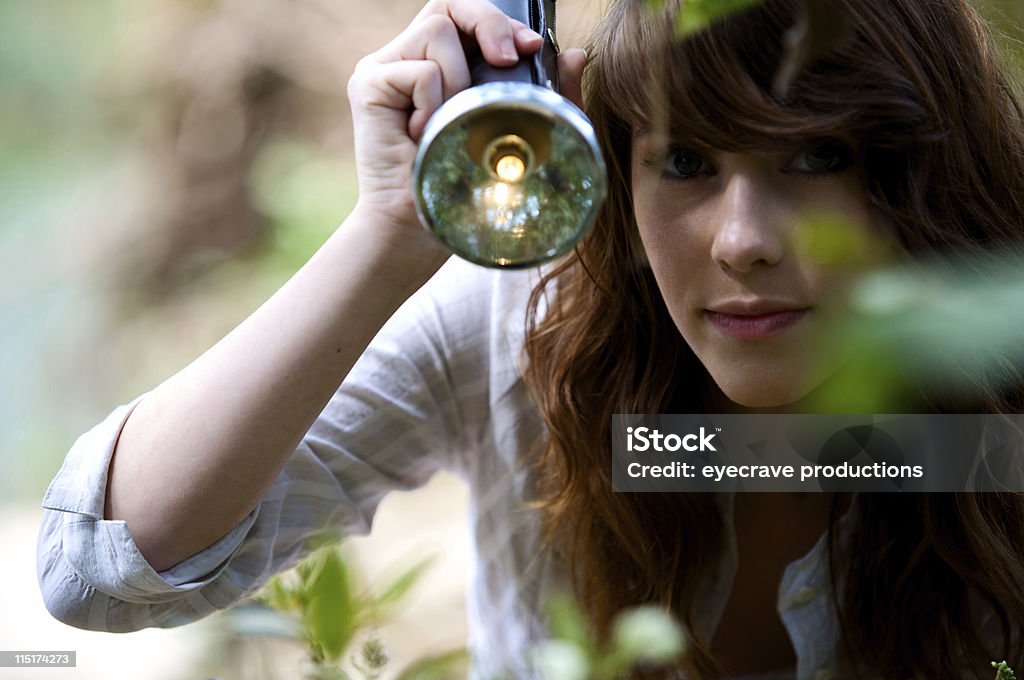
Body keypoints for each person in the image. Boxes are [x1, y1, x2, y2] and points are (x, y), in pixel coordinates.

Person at [37, 0, 1024, 678]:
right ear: (615, 162)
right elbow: (101, 569)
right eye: (684, 161)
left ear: (917, 170)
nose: (742, 241)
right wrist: (387, 234)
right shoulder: (530, 315)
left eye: (817, 156)